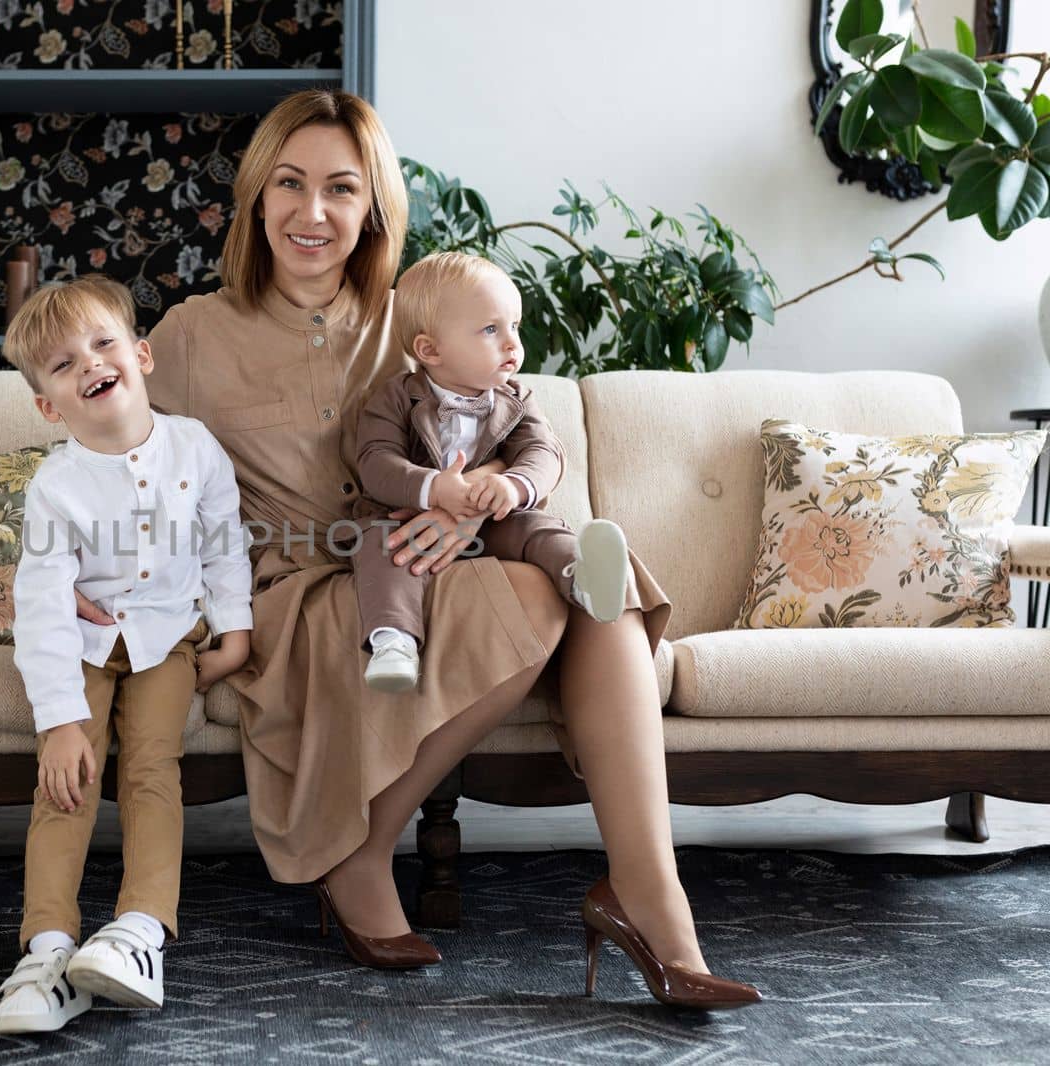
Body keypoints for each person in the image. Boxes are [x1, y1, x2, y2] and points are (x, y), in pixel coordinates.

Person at [128, 88, 759, 1008]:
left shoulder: (421, 315)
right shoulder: (187, 335)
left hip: (445, 562)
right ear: (257, 197)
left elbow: (520, 437)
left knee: (598, 587)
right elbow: (125, 464)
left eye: (342, 189)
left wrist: (467, 513)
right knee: (546, 595)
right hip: (300, 589)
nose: (313, 213)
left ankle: (651, 901)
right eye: (290, 185)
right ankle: (366, 846)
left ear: (374, 206)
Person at [0, 275, 254, 1034]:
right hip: (82, 643)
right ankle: (46, 950)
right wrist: (61, 721)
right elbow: (42, 606)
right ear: (50, 404)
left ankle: (140, 932)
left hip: (167, 638)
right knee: (66, 782)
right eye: (63, 365)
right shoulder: (56, 486)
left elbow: (222, 543)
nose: (89, 364)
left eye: (103, 344)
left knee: (150, 770)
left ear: (140, 355)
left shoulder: (195, 447)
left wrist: (233, 633)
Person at [350, 251, 634, 692]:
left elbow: (545, 452)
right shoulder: (394, 398)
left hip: (494, 524)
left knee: (539, 528)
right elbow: (375, 463)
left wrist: (512, 485)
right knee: (380, 547)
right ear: (429, 350)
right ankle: (394, 643)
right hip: (411, 522)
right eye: (490, 329)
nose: (512, 344)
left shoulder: (516, 398)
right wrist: (431, 487)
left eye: (514, 327)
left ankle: (585, 580)